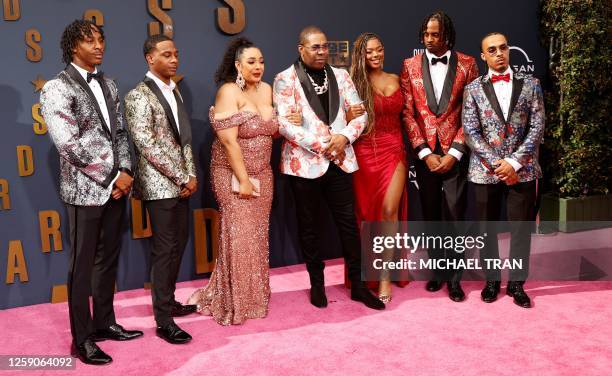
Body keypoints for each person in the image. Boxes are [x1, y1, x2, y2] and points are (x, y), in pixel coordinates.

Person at [40, 19, 142, 365]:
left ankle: (105, 323)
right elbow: (67, 144)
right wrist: (112, 175)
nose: (99, 46)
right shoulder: (55, 88)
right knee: (81, 268)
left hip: (117, 188)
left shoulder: (110, 84)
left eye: (101, 40)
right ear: (73, 47)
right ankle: (82, 339)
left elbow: (121, 134)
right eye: (90, 41)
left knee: (107, 260)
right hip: (86, 190)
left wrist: (126, 170)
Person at [188, 37, 300, 325]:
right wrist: (244, 179)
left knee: (256, 238)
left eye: (261, 61)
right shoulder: (228, 92)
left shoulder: (265, 90)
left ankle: (254, 298)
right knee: (238, 236)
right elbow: (229, 143)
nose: (258, 66)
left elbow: (268, 131)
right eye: (251, 61)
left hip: (263, 174)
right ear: (238, 65)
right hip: (232, 174)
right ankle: (234, 300)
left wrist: (288, 123)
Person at [273, 25, 385, 310]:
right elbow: (284, 124)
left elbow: (359, 114)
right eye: (315, 47)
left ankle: (359, 286)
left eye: (324, 47)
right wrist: (326, 144)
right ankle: (317, 285)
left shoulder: (341, 75)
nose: (322, 52)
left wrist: (344, 137)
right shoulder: (285, 79)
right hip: (305, 166)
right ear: (301, 49)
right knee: (309, 228)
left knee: (348, 226)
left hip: (340, 163)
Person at [400, 11, 479, 302]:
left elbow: (472, 112)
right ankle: (437, 272)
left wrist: (457, 151)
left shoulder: (469, 64)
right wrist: (423, 151)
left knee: (455, 215)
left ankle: (455, 279)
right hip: (426, 156)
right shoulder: (409, 65)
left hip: (455, 153)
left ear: (447, 35)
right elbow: (407, 113)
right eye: (426, 35)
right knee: (432, 215)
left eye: (435, 34)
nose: (429, 39)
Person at [124, 34, 197, 344]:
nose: (174, 59)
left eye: (176, 53)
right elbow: (146, 144)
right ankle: (163, 320)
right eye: (166, 54)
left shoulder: (174, 90)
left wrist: (190, 174)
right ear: (149, 59)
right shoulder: (138, 96)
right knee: (164, 250)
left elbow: (185, 140)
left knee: (178, 244)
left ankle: (168, 303)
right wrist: (182, 176)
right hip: (159, 185)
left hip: (181, 182)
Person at [462, 32, 545, 308]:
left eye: (503, 48)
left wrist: (515, 163)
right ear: (483, 56)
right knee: (487, 229)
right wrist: (499, 164)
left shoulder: (531, 84)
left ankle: (517, 284)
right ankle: (492, 280)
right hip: (486, 171)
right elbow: (471, 132)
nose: (499, 53)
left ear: (508, 51)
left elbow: (537, 127)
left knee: (520, 229)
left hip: (522, 170)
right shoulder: (473, 88)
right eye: (492, 50)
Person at [348, 32, 409, 303]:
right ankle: (367, 274)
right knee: (367, 216)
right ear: (361, 55)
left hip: (394, 150)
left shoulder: (397, 79)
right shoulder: (353, 84)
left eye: (379, 50)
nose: (375, 55)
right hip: (364, 153)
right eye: (369, 51)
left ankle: (385, 277)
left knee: (388, 210)